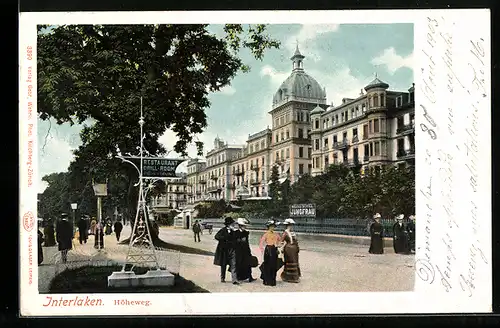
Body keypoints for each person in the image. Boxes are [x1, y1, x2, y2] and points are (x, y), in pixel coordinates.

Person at [213, 217, 239, 285]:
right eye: (232, 224)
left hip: (232, 250)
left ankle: (234, 279)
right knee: (223, 265)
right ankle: (222, 278)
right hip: (224, 251)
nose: (233, 225)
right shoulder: (222, 230)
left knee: (233, 264)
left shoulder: (233, 232)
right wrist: (225, 238)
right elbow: (216, 237)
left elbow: (236, 240)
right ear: (228, 224)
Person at [259, 219, 281, 286]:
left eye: (273, 226)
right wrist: (262, 251)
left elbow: (281, 241)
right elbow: (261, 244)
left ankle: (272, 280)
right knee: (267, 265)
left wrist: (278, 245)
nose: (272, 228)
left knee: (274, 265)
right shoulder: (266, 234)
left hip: (274, 250)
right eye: (271, 226)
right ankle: (267, 280)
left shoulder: (276, 234)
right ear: (268, 227)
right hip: (268, 250)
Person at [234, 218, 256, 282]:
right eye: (243, 226)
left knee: (248, 264)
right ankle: (238, 277)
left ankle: (250, 277)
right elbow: (235, 242)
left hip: (246, 250)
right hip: (239, 251)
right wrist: (240, 241)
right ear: (240, 226)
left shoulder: (246, 233)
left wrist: (249, 250)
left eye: (244, 226)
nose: (244, 227)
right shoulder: (236, 233)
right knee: (239, 264)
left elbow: (247, 242)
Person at [280, 218, 301, 283]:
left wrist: (297, 247)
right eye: (290, 225)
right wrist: (282, 248)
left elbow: (296, 241)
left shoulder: (293, 232)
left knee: (295, 261)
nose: (291, 226)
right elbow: (282, 241)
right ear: (287, 225)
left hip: (294, 249)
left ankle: (295, 277)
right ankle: (288, 277)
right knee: (290, 261)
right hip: (288, 249)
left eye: (292, 225)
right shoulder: (285, 232)